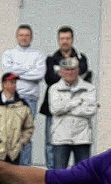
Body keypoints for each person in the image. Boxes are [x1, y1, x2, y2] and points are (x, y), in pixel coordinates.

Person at [47, 57, 97, 184]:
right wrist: (77, 102)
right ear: (61, 72)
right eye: (66, 70)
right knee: (58, 175)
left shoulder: (89, 88)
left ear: (78, 70)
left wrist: (66, 107)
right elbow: (55, 109)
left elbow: (90, 110)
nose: (70, 73)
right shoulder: (54, 88)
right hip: (61, 137)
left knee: (85, 176)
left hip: (82, 137)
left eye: (73, 69)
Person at [39, 26, 91, 170]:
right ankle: (52, 174)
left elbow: (83, 78)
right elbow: (49, 78)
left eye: (67, 38)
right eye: (62, 39)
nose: (65, 41)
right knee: (51, 142)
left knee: (78, 143)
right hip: (55, 107)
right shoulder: (51, 59)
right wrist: (70, 76)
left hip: (77, 108)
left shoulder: (81, 58)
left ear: (72, 40)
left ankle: (76, 178)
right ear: (58, 40)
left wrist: (61, 74)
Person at [1, 24, 46, 166]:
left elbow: (39, 74)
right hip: (12, 99)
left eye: (27, 35)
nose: (24, 38)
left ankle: (25, 168)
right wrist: (28, 70)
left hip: (30, 99)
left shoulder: (38, 55)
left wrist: (18, 71)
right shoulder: (9, 54)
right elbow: (7, 73)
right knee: (10, 134)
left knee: (25, 135)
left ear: (31, 37)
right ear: (16, 37)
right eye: (21, 35)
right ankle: (10, 168)